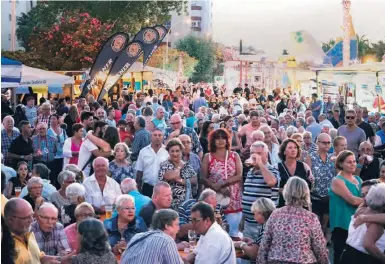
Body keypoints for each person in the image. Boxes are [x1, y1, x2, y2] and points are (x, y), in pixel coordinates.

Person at [257, 176, 329, 264]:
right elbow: (320, 248)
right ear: (305, 193)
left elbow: (264, 246)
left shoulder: (275, 214)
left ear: (286, 192)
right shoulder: (310, 218)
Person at [4, 198, 74, 263]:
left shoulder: (28, 233)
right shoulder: (4, 242)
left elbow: (39, 257)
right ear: (11, 220)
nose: (31, 220)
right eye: (27, 217)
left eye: (32, 216)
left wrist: (64, 258)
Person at [201, 129, 243, 239]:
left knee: (232, 233)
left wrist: (222, 184)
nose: (220, 140)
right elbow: (203, 177)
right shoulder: (207, 156)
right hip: (214, 197)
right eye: (217, 138)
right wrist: (217, 188)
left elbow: (239, 175)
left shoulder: (234, 155)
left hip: (233, 197)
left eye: (223, 138)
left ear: (227, 140)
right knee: (215, 233)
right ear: (212, 141)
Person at [329, 150, 363, 264]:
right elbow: (352, 200)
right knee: (340, 258)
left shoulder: (358, 179)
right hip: (342, 225)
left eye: (354, 161)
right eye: (349, 162)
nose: (353, 164)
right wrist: (370, 201)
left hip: (357, 225)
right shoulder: (337, 180)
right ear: (341, 163)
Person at [340, 183, 385, 264]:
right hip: (364, 259)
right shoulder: (376, 222)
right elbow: (368, 245)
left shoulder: (360, 211)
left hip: (346, 253)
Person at [306, 133, 336, 236]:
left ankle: (323, 246)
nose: (327, 145)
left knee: (325, 224)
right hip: (315, 196)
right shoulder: (311, 157)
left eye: (329, 143)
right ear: (317, 143)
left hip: (328, 196)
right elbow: (307, 176)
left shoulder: (332, 158)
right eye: (324, 143)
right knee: (315, 224)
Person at [234, 198, 276, 264]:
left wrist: (241, 245)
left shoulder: (267, 226)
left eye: (254, 214)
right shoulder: (271, 223)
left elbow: (254, 254)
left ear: (260, 212)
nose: (254, 217)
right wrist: (253, 242)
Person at [159, 139, 197, 209]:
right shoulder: (164, 165)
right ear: (168, 152)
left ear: (181, 151)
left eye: (177, 151)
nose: (175, 154)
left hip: (186, 203)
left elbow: (195, 180)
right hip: (170, 204)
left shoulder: (186, 165)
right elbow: (171, 176)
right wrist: (179, 167)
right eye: (172, 151)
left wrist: (182, 181)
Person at [276, 138, 313, 207]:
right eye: (290, 148)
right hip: (283, 205)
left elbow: (311, 185)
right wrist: (285, 190)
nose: (293, 150)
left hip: (302, 206)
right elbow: (273, 188)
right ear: (284, 151)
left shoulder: (304, 167)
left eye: (295, 148)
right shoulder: (277, 167)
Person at [135, 128, 169, 197]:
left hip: (163, 187)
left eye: (159, 135)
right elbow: (139, 171)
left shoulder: (167, 152)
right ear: (151, 137)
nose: (157, 137)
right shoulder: (143, 152)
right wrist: (138, 188)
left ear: (163, 137)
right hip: (147, 187)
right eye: (155, 135)